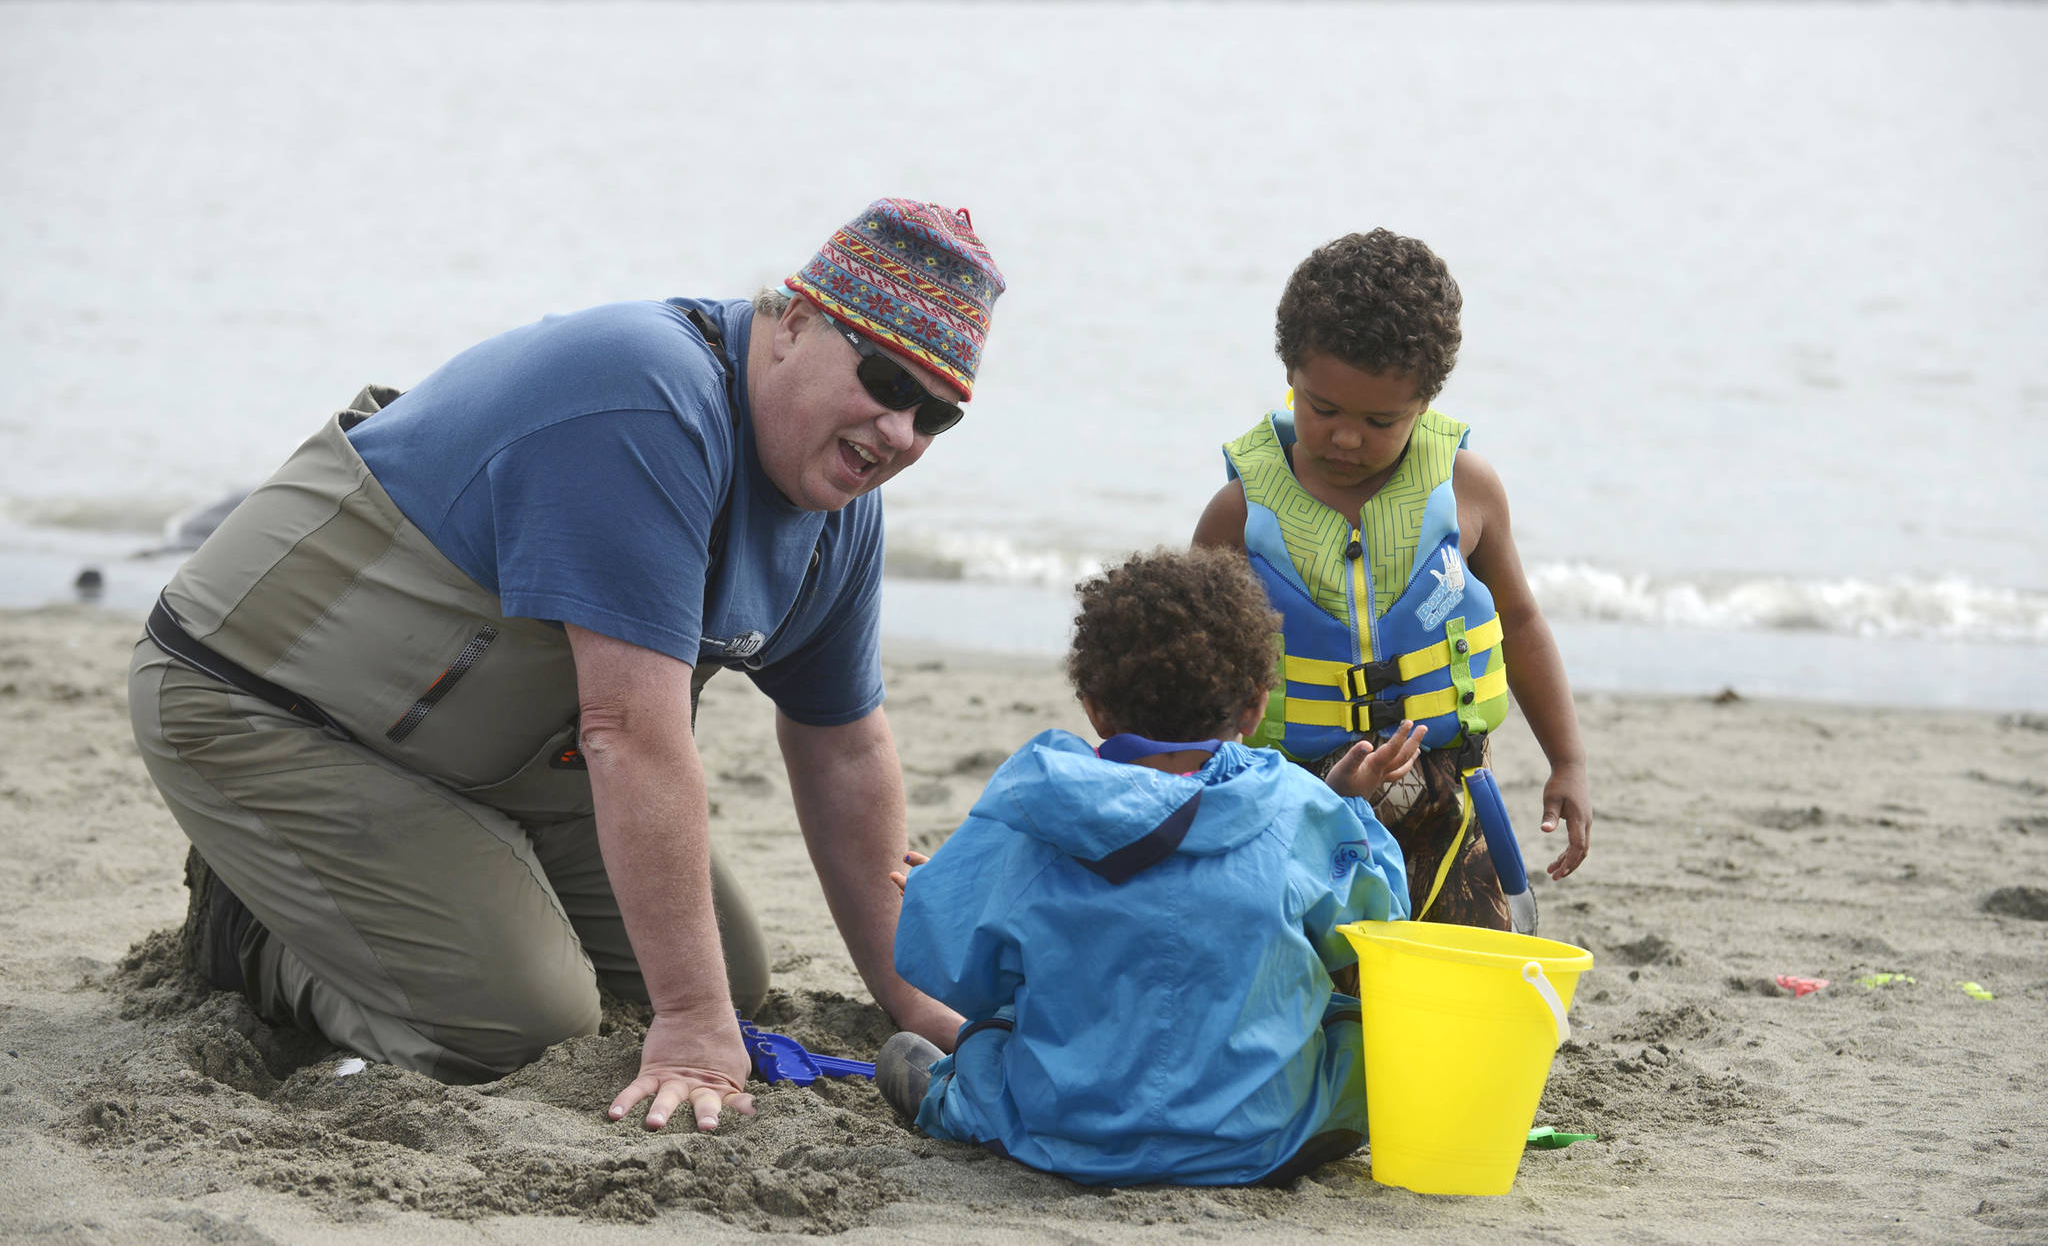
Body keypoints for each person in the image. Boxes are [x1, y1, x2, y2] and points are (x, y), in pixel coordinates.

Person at [127, 198, 1003, 1135]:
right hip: (264, 700)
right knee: (524, 1024)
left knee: (732, 977)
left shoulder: (841, 506)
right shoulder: (647, 397)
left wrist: (916, 1002)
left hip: (484, 753)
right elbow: (628, 732)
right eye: (883, 378)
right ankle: (252, 932)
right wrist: (696, 1036)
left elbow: (844, 752)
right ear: (793, 324)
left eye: (935, 416)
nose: (901, 430)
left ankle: (398, 884)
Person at [881, 548, 1416, 1186]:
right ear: (1253, 705)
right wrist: (1349, 806)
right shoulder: (1300, 810)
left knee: (986, 1035)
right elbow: (1382, 918)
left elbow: (963, 977)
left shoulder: (1041, 814)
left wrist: (941, 896)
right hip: (1255, 1141)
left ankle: (947, 1102)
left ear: (1094, 706)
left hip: (1067, 1135)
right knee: (1354, 1041)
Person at [1193, 229, 1591, 933]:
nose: (1346, 437)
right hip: (1295, 788)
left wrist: (1568, 759)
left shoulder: (1468, 491)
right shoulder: (1242, 511)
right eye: (1323, 409)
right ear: (1291, 373)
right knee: (1308, 967)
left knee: (1470, 962)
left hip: (1449, 787)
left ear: (1426, 401)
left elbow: (1521, 620)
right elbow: (1186, 659)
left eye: (1381, 420)